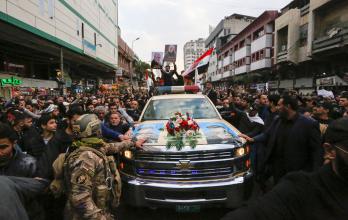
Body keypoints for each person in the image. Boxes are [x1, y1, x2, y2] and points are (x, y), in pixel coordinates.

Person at [221, 117, 348, 220]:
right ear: (330, 151)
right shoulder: (301, 190)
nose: (278, 107)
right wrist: (253, 139)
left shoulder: (307, 124)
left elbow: (314, 151)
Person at [63, 114, 145, 219]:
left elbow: (112, 147)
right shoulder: (86, 158)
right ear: (96, 130)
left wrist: (132, 142)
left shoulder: (89, 146)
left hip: (97, 208)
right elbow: (80, 198)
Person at [240, 95, 323, 184]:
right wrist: (252, 139)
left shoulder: (309, 124)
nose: (277, 107)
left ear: (288, 106)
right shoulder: (278, 120)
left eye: (279, 105)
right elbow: (267, 134)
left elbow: (316, 151)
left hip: (297, 170)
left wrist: (313, 175)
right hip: (277, 167)